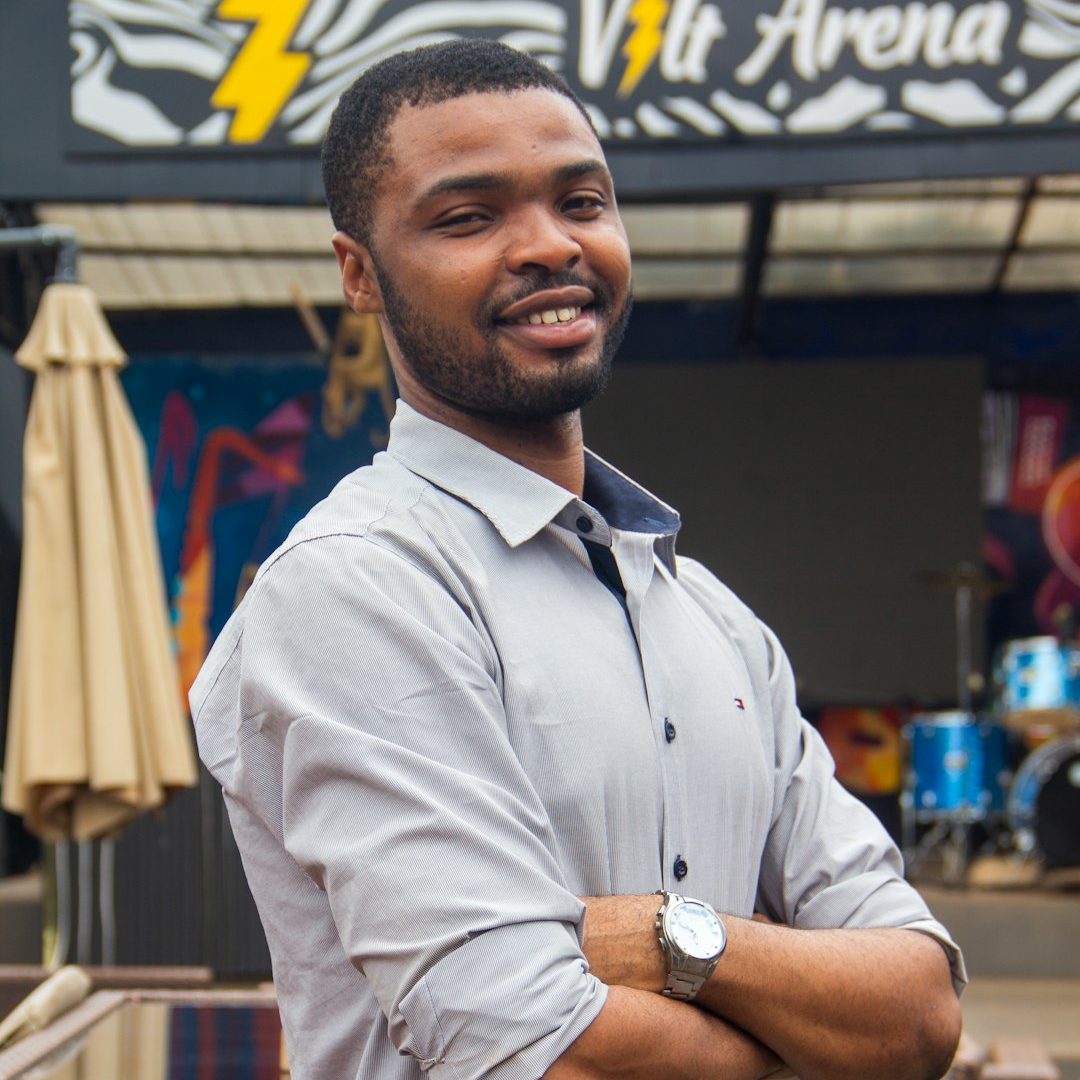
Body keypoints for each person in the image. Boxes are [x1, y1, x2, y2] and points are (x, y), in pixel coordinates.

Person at [191, 39, 965, 1080]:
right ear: (360, 276)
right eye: (469, 217)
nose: (549, 245)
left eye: (583, 201)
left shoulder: (720, 624)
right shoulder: (357, 590)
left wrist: (659, 936)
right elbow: (540, 1057)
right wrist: (805, 1038)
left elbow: (919, 1011)